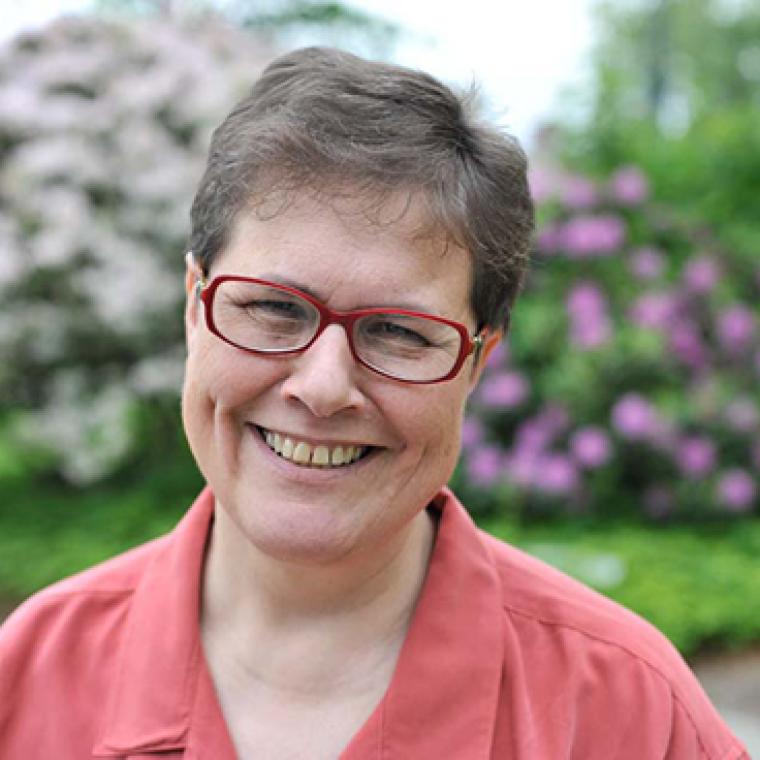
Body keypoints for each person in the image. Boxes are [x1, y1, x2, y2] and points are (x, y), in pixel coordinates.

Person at [0, 47, 748, 760]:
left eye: (397, 332)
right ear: (195, 307)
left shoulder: (630, 715)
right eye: (274, 309)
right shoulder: (26, 680)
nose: (323, 387)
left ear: (477, 361)